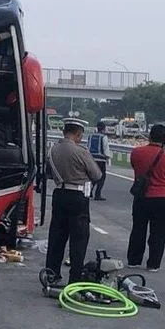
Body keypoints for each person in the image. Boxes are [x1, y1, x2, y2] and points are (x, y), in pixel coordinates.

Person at [46, 120, 103, 284]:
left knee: (57, 236)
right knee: (79, 239)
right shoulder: (81, 151)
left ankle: (51, 273)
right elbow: (96, 175)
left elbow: (49, 173)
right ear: (78, 133)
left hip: (59, 193)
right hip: (77, 196)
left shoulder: (52, 150)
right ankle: (75, 278)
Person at [128, 124, 165, 271]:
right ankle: (154, 263)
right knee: (158, 232)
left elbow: (135, 167)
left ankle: (134, 260)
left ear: (149, 136)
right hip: (163, 197)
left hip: (142, 196)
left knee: (138, 229)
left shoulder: (137, 152)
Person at [87, 124, 111, 200]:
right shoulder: (103, 137)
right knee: (101, 177)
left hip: (91, 159)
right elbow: (105, 148)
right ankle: (98, 194)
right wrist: (108, 158)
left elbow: (87, 147)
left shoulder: (91, 136)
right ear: (104, 128)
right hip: (100, 160)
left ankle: (89, 192)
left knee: (92, 176)